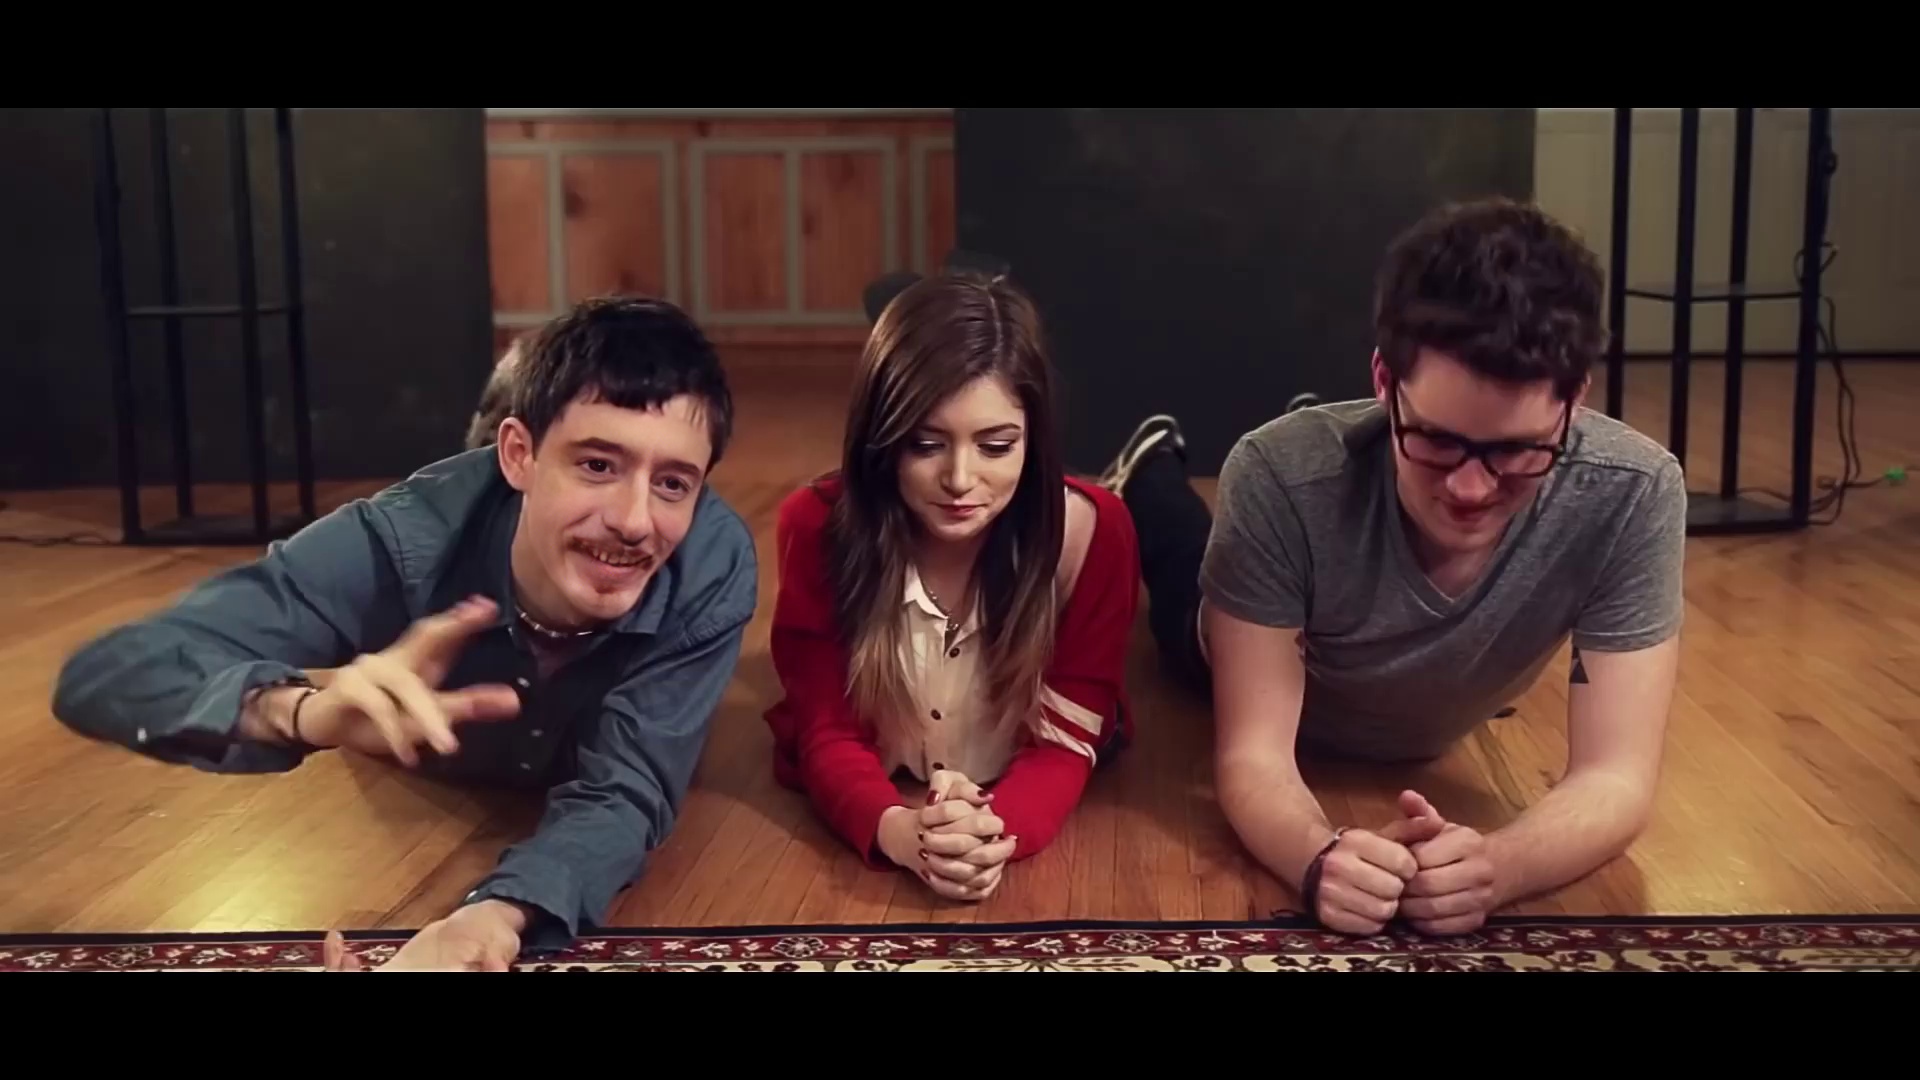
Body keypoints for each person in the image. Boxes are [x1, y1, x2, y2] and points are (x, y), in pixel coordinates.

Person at [52, 295, 759, 970]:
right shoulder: (401, 542)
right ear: (518, 453)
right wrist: (299, 712)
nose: (635, 520)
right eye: (597, 465)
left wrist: (489, 919)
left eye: (673, 483)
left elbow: (626, 790)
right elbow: (109, 673)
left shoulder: (709, 566)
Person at [1097, 196, 1685, 937]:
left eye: (1514, 451)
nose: (1470, 488)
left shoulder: (1633, 491)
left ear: (1576, 400)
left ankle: (1340, 427)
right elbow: (1254, 756)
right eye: (1436, 439)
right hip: (1239, 640)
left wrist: (1499, 867)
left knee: (1308, 473)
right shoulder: (1276, 475)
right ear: (1383, 380)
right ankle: (1150, 468)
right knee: (1182, 569)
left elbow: (1617, 776)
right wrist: (1317, 857)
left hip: (1401, 654)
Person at [764, 270, 1139, 900]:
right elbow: (826, 731)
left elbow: (1066, 740)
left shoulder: (1094, 531)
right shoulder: (815, 525)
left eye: (996, 446)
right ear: (882, 439)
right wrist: (898, 832)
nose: (960, 479)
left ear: (1034, 439)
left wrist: (996, 833)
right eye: (925, 444)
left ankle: (1150, 470)